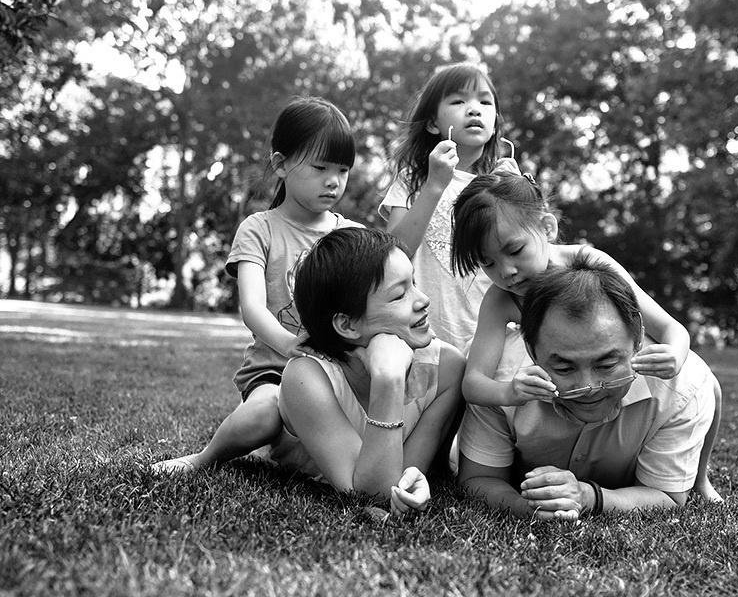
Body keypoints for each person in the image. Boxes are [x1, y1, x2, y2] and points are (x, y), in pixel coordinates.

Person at [450, 171, 721, 500]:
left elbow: (668, 327)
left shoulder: (588, 263)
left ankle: (700, 478)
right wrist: (509, 392)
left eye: (515, 250)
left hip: (600, 366)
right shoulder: (501, 298)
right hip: (551, 381)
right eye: (488, 263)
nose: (506, 271)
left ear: (547, 228)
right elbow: (473, 381)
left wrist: (675, 356)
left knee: (705, 383)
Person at [152, 97, 363, 473]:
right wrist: (292, 346)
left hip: (335, 374)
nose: (334, 181)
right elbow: (252, 307)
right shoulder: (259, 228)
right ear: (281, 164)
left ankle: (280, 449)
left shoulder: (351, 235)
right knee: (263, 415)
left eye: (343, 170)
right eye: (320, 167)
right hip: (275, 369)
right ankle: (202, 460)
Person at [457, 256, 722, 519]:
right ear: (531, 350)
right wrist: (528, 508)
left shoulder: (681, 387)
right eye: (565, 368)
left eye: (606, 365)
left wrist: (589, 497)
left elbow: (667, 496)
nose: (588, 387)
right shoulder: (499, 379)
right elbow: (478, 478)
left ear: (639, 338)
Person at [263, 227, 464, 515]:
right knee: (256, 417)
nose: (422, 300)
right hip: (276, 433)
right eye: (399, 295)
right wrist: (388, 379)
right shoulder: (307, 378)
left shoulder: (446, 369)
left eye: (414, 283)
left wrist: (409, 485)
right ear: (347, 325)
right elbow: (370, 495)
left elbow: (395, 486)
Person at [379, 62, 516, 353]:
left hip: (492, 340)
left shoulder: (503, 184)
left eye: (484, 101)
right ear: (432, 123)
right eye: (458, 101)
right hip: (426, 340)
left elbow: (530, 259)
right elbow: (394, 253)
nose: (474, 109)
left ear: (494, 127)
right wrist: (434, 186)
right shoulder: (413, 181)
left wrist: (518, 198)